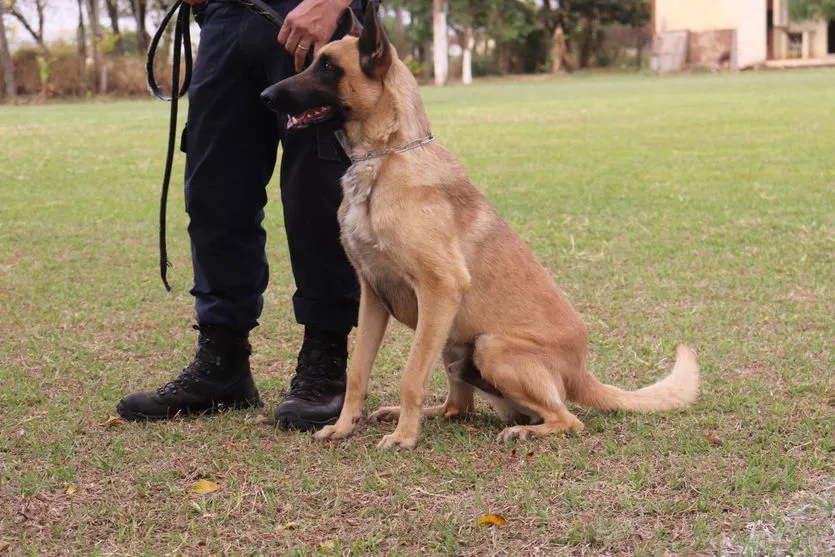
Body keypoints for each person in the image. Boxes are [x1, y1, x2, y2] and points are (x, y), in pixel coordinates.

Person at [116, 0, 364, 430]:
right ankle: (223, 360)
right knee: (215, 188)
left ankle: (325, 359)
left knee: (318, 194)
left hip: (310, 12)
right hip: (226, 17)